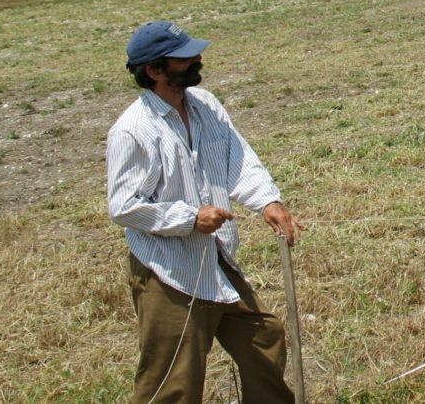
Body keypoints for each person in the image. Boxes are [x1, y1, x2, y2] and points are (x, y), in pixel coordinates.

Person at [107, 21, 304, 403]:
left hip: (215, 259)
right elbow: (124, 206)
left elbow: (238, 158)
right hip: (169, 270)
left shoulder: (206, 105)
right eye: (184, 57)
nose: (198, 58)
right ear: (155, 71)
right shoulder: (133, 130)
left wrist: (268, 201)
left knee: (262, 338)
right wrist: (189, 219)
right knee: (172, 381)